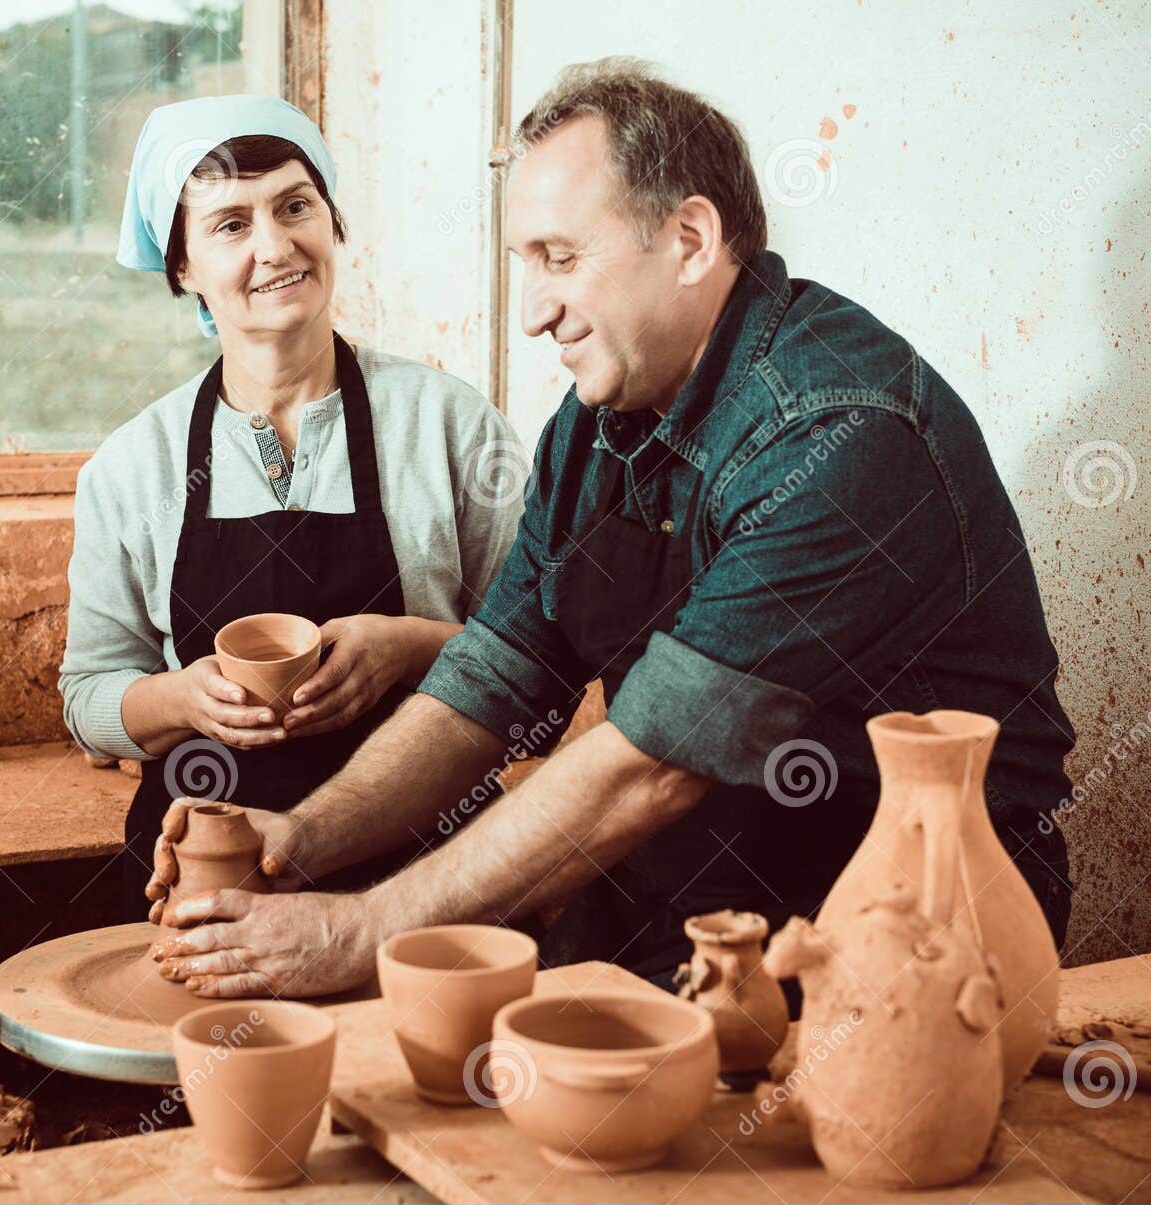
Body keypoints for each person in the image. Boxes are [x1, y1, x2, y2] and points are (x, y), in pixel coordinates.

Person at [148, 60, 1076, 998]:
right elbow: (495, 672)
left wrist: (358, 931)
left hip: (899, 917)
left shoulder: (843, 432)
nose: (536, 309)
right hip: (686, 880)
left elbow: (654, 765)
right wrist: (299, 843)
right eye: (526, 264)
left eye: (561, 258)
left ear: (689, 238)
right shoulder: (598, 418)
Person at [59, 95, 520, 920]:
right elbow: (89, 694)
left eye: (295, 206)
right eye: (230, 224)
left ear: (332, 222)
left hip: (434, 877)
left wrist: (410, 648)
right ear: (183, 269)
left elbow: (542, 664)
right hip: (211, 870)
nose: (275, 246)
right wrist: (181, 700)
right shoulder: (132, 467)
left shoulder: (451, 427)